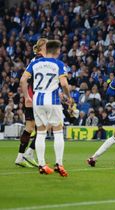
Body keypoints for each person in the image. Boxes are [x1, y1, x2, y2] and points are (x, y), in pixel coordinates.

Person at [20, 40, 71, 176]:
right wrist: (68, 96)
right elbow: (64, 84)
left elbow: (23, 80)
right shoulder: (59, 64)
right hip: (52, 100)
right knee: (58, 131)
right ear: (57, 51)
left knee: (41, 132)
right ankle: (59, 164)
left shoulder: (35, 63)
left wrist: (27, 97)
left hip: (38, 99)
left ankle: (42, 165)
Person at [15, 38, 47, 168]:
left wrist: (27, 97)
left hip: (32, 97)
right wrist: (28, 97)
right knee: (45, 126)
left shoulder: (35, 60)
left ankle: (20, 157)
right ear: (42, 47)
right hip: (36, 98)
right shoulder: (41, 61)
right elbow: (24, 80)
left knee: (30, 127)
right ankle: (29, 153)